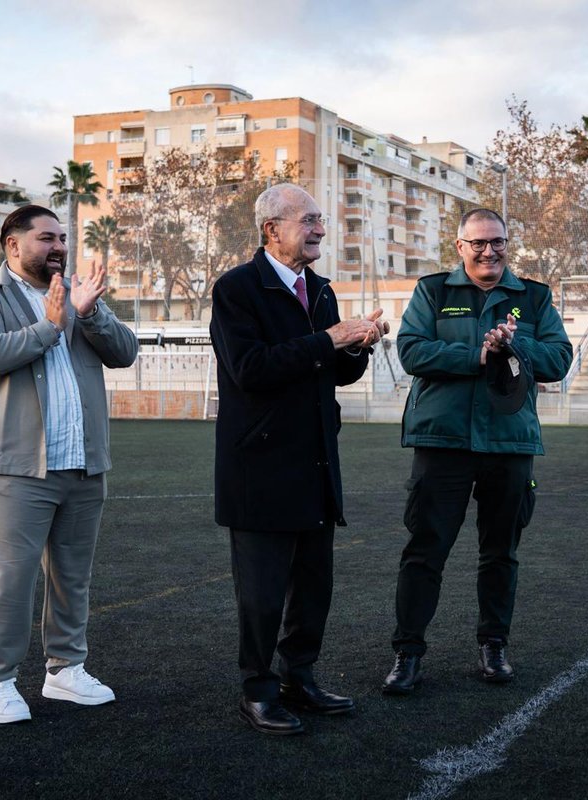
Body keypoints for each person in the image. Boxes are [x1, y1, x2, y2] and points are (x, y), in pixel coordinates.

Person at [210, 183, 389, 736]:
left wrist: (358, 344)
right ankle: (258, 691)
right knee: (262, 596)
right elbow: (251, 369)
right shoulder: (237, 289)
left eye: (320, 220)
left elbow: (333, 373)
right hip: (260, 467)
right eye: (309, 220)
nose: (319, 230)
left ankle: (299, 678)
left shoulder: (321, 291)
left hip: (316, 464)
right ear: (272, 230)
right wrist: (330, 339)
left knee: (313, 587)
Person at [0, 204, 138, 724]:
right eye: (46, 238)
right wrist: (51, 325)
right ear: (13, 245)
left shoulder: (77, 295)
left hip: (82, 463)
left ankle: (65, 670)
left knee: (72, 576)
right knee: (8, 579)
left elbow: (125, 352)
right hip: (11, 468)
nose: (59, 247)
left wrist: (90, 313)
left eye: (62, 238)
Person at [381, 208, 573, 695]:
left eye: (498, 242)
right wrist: (480, 354)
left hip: (509, 441)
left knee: (500, 553)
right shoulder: (434, 291)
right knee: (425, 551)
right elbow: (412, 351)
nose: (489, 251)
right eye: (479, 243)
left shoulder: (533, 296)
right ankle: (407, 653)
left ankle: (494, 646)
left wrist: (516, 345)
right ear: (460, 246)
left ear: (508, 244)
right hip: (442, 441)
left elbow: (559, 358)